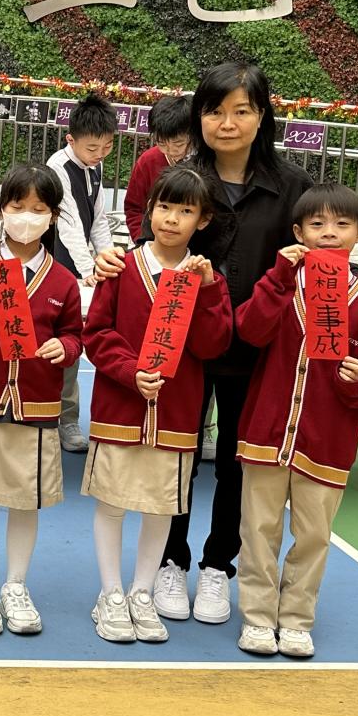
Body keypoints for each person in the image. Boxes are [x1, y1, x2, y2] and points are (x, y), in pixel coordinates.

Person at [93, 63, 358, 627]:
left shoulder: (293, 187)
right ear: (198, 117)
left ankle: (217, 565)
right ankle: (170, 561)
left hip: (258, 351)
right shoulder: (183, 179)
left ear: (261, 117)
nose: (226, 123)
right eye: (214, 111)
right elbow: (154, 242)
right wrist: (114, 259)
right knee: (178, 455)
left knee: (239, 462)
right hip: (181, 349)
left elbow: (326, 255)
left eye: (241, 111)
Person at [234, 184, 358, 658]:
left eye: (342, 224)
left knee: (314, 537)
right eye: (317, 224)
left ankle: (297, 619)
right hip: (267, 434)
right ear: (298, 231)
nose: (329, 233)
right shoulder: (281, 283)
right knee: (258, 531)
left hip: (327, 441)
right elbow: (249, 330)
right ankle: (258, 616)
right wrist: (278, 278)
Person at [81, 166, 232, 644]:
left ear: (203, 220)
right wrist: (130, 371)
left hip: (176, 415)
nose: (171, 218)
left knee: (160, 506)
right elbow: (96, 334)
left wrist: (208, 291)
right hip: (119, 410)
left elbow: (212, 345)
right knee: (112, 503)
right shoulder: (121, 267)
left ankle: (142, 592)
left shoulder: (207, 279)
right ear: (149, 210)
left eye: (185, 211)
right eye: (164, 207)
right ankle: (110, 592)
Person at [0, 165, 83, 636]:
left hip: (37, 407)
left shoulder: (63, 281)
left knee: (28, 500)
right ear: (1, 210)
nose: (27, 217)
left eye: (38, 209)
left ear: (53, 216)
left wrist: (65, 347)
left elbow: (75, 335)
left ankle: (16, 585)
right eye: (17, 206)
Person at [46, 93, 117, 454]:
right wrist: (89, 269)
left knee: (79, 342)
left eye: (107, 147)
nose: (100, 154)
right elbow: (70, 225)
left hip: (83, 271)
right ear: (70, 139)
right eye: (92, 148)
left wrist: (109, 261)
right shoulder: (58, 167)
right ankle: (60, 417)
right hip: (59, 268)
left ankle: (67, 417)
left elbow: (99, 221)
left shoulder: (95, 166)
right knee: (61, 343)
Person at [123, 96, 193, 242]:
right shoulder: (148, 161)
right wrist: (143, 240)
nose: (171, 150)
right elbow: (133, 208)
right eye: (162, 143)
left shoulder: (206, 161)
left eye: (179, 144)